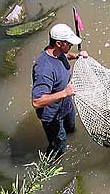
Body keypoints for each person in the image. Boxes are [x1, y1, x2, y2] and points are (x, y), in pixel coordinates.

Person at [31, 23, 88, 158]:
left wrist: (77, 56)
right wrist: (65, 93)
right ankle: (52, 164)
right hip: (52, 116)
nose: (71, 45)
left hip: (66, 106)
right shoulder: (44, 69)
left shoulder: (58, 52)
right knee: (59, 145)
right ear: (58, 43)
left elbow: (65, 55)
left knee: (71, 130)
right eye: (68, 43)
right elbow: (37, 101)